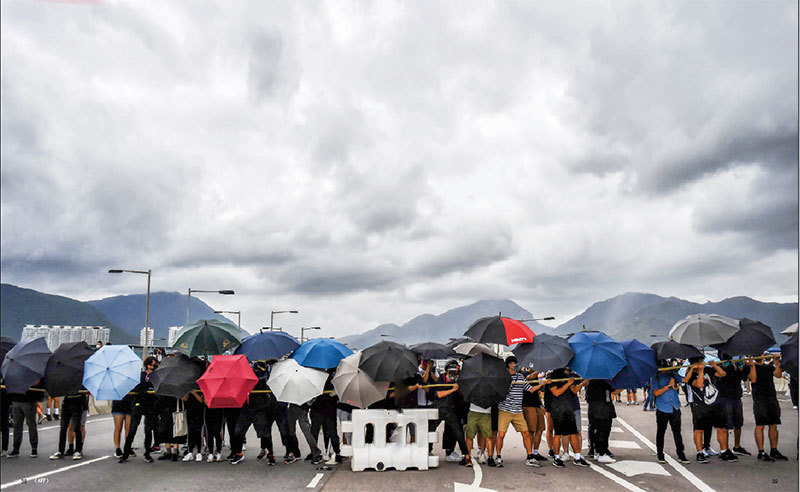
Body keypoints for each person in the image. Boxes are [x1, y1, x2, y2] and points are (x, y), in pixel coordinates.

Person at [494, 356, 547, 468]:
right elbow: (500, 392)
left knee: (526, 433)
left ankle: (530, 456)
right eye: (513, 363)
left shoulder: (520, 376)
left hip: (517, 410)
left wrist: (542, 384)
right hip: (505, 410)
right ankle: (498, 456)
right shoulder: (503, 377)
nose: (515, 365)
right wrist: (507, 386)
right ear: (509, 364)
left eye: (516, 363)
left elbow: (531, 389)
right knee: (501, 434)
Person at [684, 359, 736, 463]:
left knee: (722, 428)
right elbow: (699, 384)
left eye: (701, 361)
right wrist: (699, 371)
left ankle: (724, 451)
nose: (701, 363)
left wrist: (714, 366)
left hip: (716, 403)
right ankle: (700, 453)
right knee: (699, 429)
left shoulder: (708, 369)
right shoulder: (690, 374)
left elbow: (722, 374)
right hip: (701, 405)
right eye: (698, 361)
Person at [747, 354, 788, 461]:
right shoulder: (751, 367)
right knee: (760, 425)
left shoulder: (768, 367)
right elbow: (753, 379)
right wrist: (752, 366)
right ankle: (761, 451)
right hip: (759, 399)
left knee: (773, 425)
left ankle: (774, 450)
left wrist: (776, 361)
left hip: (771, 398)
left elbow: (778, 374)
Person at [547, 367, 588, 468]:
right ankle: (557, 457)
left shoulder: (568, 376)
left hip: (569, 407)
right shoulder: (552, 377)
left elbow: (573, 390)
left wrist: (580, 383)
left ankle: (577, 457)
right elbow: (556, 392)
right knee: (558, 434)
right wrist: (568, 384)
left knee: (573, 432)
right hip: (557, 409)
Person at [650, 360, 690, 464]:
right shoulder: (655, 377)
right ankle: (660, 454)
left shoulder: (673, 374)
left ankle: (681, 454)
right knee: (661, 432)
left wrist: (692, 369)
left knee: (677, 432)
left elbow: (685, 380)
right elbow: (656, 392)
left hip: (675, 407)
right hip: (662, 408)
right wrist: (668, 386)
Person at [120, 356, 158, 463]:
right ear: (147, 365)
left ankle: (147, 453)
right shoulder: (140, 375)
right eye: (152, 364)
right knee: (132, 429)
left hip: (151, 405)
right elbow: (135, 388)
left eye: (155, 364)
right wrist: (144, 387)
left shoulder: (157, 376)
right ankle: (126, 453)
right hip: (138, 403)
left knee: (148, 430)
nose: (153, 366)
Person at [431, 360, 469, 466]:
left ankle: (465, 454)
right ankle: (428, 451)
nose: (452, 374)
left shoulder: (459, 379)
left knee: (457, 432)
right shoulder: (442, 378)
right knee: (431, 429)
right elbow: (439, 394)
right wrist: (453, 389)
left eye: (455, 371)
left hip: (452, 410)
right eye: (450, 371)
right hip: (439, 407)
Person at [716, 355, 750, 456]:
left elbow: (743, 377)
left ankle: (737, 446)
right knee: (725, 424)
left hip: (736, 395)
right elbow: (724, 375)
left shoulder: (738, 363)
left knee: (738, 423)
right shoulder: (720, 364)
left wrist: (746, 367)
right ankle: (724, 449)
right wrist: (724, 365)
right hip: (724, 396)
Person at [8, 379, 44, 458]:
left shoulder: (32, 372)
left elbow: (38, 382)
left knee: (31, 424)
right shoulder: (15, 371)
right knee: (17, 425)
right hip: (16, 399)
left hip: (29, 400)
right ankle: (16, 449)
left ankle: (34, 448)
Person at [310, 371, 342, 463]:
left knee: (331, 432)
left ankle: (336, 452)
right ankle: (315, 453)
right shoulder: (316, 376)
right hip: (321, 409)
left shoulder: (331, 377)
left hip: (327, 409)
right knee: (315, 432)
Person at [49, 390, 87, 460]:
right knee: (63, 428)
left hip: (79, 401)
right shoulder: (67, 379)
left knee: (77, 427)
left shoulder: (80, 379)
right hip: (67, 401)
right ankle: (61, 451)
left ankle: (78, 450)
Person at [585, 379, 617, 463]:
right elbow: (614, 390)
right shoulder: (603, 379)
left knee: (596, 429)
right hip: (602, 407)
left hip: (595, 406)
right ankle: (601, 452)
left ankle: (596, 450)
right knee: (603, 430)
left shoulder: (591, 378)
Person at [521, 368, 549, 463]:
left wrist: (541, 405)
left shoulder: (536, 376)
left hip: (537, 405)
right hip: (528, 405)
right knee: (531, 430)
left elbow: (536, 392)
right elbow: (529, 378)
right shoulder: (523, 374)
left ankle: (536, 452)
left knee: (540, 429)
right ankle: (530, 453)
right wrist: (539, 369)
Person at [183, 390, 206, 462]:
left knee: (199, 433)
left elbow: (202, 400)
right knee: (190, 432)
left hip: (199, 412)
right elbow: (184, 399)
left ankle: (199, 452)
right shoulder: (187, 386)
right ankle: (190, 452)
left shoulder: (200, 387)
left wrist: (194, 393)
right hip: (189, 412)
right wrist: (187, 392)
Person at [111, 391, 134, 458]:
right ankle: (118, 448)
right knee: (118, 426)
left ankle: (128, 447)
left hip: (130, 402)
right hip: (118, 402)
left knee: (128, 428)